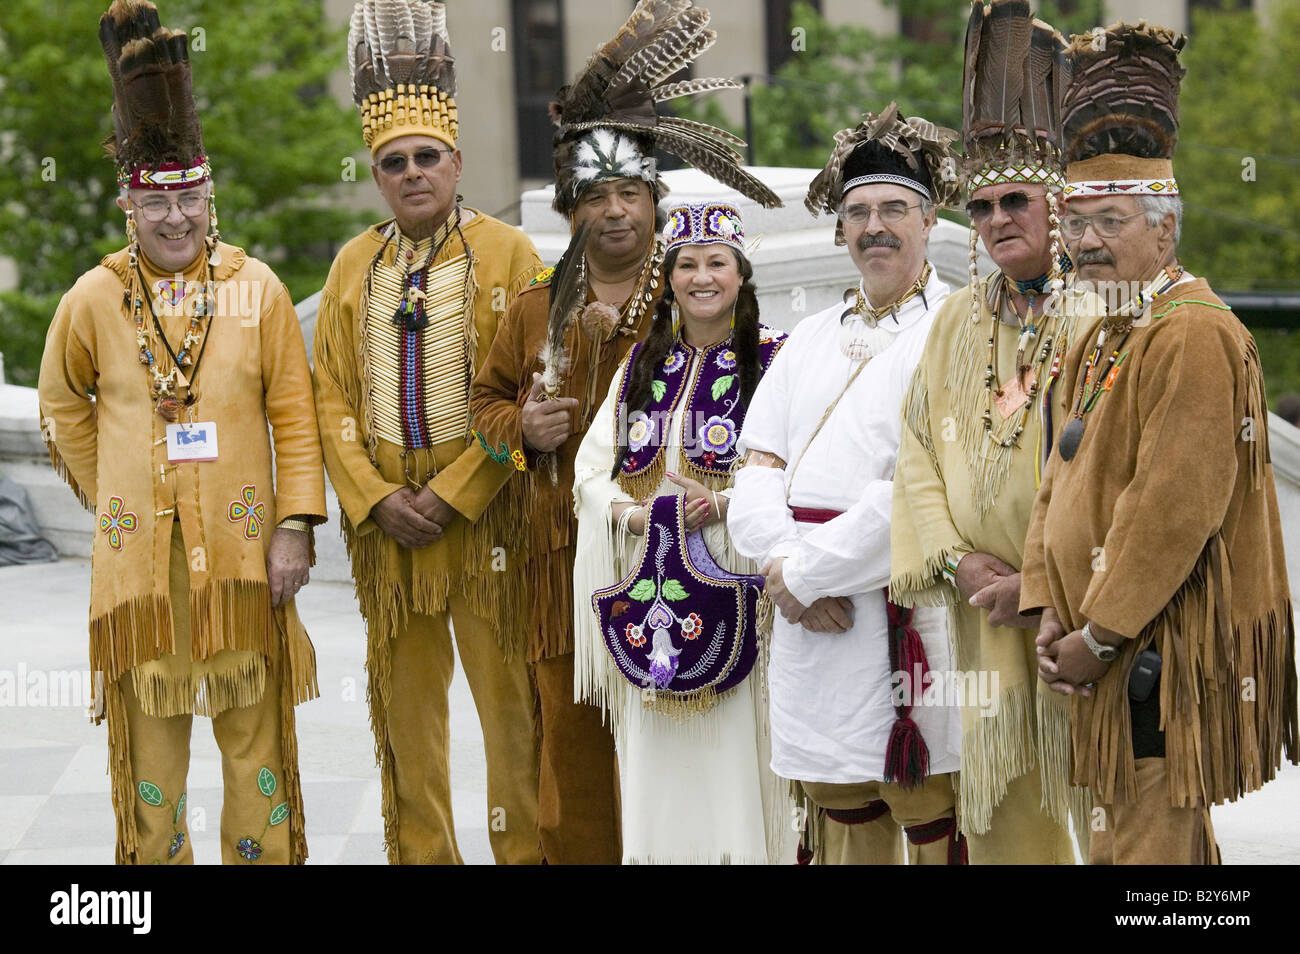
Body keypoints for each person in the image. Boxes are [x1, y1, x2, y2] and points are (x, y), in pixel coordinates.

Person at [468, 0, 780, 864]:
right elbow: (483, 409)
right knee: (569, 756)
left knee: (676, 747)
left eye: (630, 193)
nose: (614, 211)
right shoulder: (534, 307)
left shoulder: (687, 301)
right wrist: (523, 430)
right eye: (595, 194)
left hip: (694, 569)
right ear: (569, 207)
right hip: (560, 565)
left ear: (655, 202)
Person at [38, 0, 325, 864]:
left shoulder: (258, 287)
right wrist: (112, 485)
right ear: (131, 201)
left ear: (211, 195)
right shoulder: (92, 297)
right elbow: (60, 403)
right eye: (156, 201)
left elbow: (295, 415)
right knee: (154, 757)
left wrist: (294, 529)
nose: (175, 219)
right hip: (139, 571)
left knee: (254, 747)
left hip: (245, 559)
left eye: (189, 198)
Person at [1023, 21, 1297, 865]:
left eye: (1110, 220)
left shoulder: (1192, 333)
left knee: (1148, 862)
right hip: (1101, 652)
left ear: (1166, 230)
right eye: (1076, 224)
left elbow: (1174, 505)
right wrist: (1043, 606)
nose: (1085, 241)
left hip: (1154, 659)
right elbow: (1054, 485)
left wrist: (1098, 637)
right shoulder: (1105, 333)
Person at [311, 0, 542, 864]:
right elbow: (327, 392)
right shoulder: (351, 264)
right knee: (407, 721)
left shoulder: (510, 252)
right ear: (378, 175)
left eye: (426, 158)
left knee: (512, 712)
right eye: (394, 162)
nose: (412, 173)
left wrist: (451, 494)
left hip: (486, 528)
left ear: (456, 161)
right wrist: (373, 500)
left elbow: (529, 385)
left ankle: (525, 856)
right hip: (391, 541)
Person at [889, 0, 1100, 864]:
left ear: (1057, 203)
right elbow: (915, 460)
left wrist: (1043, 585)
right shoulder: (953, 322)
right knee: (1007, 823)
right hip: (982, 625)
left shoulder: (1104, 314)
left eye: (1016, 200)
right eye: (979, 208)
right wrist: (957, 561)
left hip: (1083, 629)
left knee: (1114, 826)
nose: (996, 219)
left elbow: (1121, 479)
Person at [728, 104, 965, 865]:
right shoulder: (810, 338)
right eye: (859, 211)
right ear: (842, 229)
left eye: (895, 208)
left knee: (924, 804)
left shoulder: (957, 328)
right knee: (837, 804)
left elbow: (917, 487)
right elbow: (755, 466)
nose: (875, 227)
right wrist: (784, 568)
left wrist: (804, 572)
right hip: (809, 619)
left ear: (928, 222)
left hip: (903, 609)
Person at [571, 201, 792, 863]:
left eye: (716, 263)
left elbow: (799, 467)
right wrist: (630, 515)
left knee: (733, 749)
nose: (701, 276)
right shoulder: (640, 364)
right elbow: (590, 468)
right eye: (686, 264)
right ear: (667, 278)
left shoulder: (776, 360)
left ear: (741, 274)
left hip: (736, 576)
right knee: (656, 754)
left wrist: (726, 504)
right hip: (648, 576)